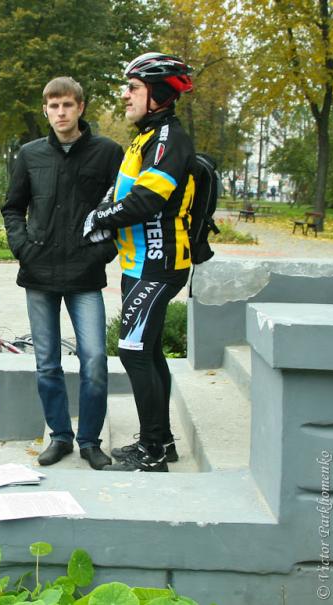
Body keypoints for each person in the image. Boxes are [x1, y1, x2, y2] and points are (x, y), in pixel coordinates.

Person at [1, 77, 124, 471]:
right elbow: (12, 207)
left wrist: (103, 252)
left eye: (67, 105)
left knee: (94, 361)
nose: (61, 113)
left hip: (85, 274)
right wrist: (22, 247)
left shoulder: (107, 154)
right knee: (47, 363)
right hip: (39, 273)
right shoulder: (30, 155)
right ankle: (59, 437)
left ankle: (89, 441)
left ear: (81, 107)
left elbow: (121, 209)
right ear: (45, 110)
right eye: (53, 106)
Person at [82, 52, 196, 472]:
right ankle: (160, 443)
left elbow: (149, 198)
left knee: (132, 352)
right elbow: (122, 189)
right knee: (146, 351)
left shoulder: (168, 140)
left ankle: (153, 451)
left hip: (158, 263)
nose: (126, 95)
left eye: (134, 88)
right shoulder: (147, 138)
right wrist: (103, 208)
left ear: (159, 94)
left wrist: (101, 218)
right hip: (139, 264)